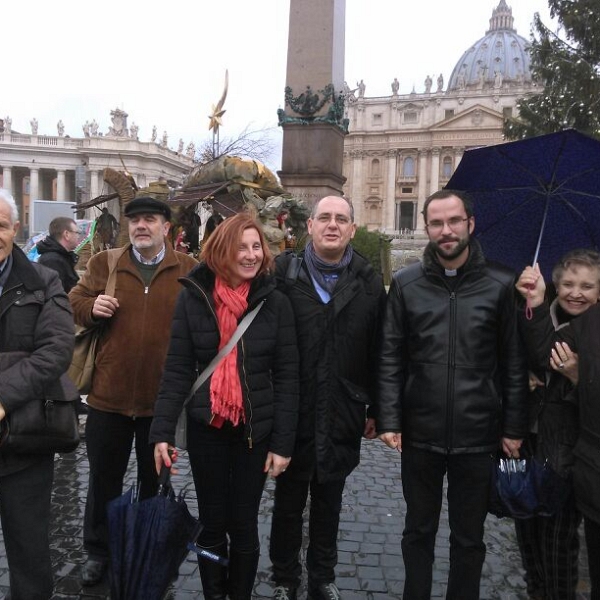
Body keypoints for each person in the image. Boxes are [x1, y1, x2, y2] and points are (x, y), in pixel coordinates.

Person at [377, 189, 528, 600]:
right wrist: (390, 418)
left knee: (469, 538)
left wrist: (514, 425)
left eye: (454, 222)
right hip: (420, 431)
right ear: (427, 228)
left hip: (478, 434)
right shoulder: (406, 285)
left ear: (470, 224)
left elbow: (513, 362)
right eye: (437, 223)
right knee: (417, 532)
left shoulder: (500, 284)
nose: (446, 231)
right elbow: (390, 355)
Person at [150, 212, 299, 600]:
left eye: (256, 247)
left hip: (255, 431)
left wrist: (283, 444)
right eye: (241, 248)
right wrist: (162, 432)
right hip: (207, 427)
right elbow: (178, 369)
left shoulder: (275, 302)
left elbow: (287, 377)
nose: (250, 255)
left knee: (244, 523)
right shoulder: (193, 297)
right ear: (222, 251)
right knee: (213, 523)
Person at [69, 196, 197, 586]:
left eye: (150, 220)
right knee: (103, 481)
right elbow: (74, 301)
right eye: (136, 220)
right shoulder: (105, 262)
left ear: (166, 228)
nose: (142, 226)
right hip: (108, 396)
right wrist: (92, 307)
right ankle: (98, 551)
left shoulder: (188, 269)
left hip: (161, 403)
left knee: (154, 482)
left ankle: (148, 546)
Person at [269, 196, 386, 600]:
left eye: (341, 219)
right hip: (293, 407)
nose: (332, 225)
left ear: (353, 228)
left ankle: (322, 575)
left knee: (330, 500)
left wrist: (378, 408)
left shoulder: (369, 279)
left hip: (343, 406)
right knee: (287, 499)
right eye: (324, 218)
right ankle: (284, 576)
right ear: (310, 227)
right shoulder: (284, 273)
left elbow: (379, 349)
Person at [0, 188, 75, 599]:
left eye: (1, 224)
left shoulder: (44, 280)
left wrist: (2, 397)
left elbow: (56, 351)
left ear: (15, 230)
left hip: (25, 440)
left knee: (29, 555)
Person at [513, 249, 600, 600]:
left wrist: (580, 377)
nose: (575, 292)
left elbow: (545, 353)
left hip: (569, 452)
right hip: (529, 440)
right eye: (568, 284)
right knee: (528, 535)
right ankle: (536, 593)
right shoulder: (541, 312)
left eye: (587, 286)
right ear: (557, 284)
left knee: (558, 541)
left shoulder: (588, 330)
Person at [36, 217, 80, 293]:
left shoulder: (64, 257)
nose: (78, 236)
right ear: (67, 234)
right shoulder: (52, 260)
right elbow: (55, 295)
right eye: (77, 233)